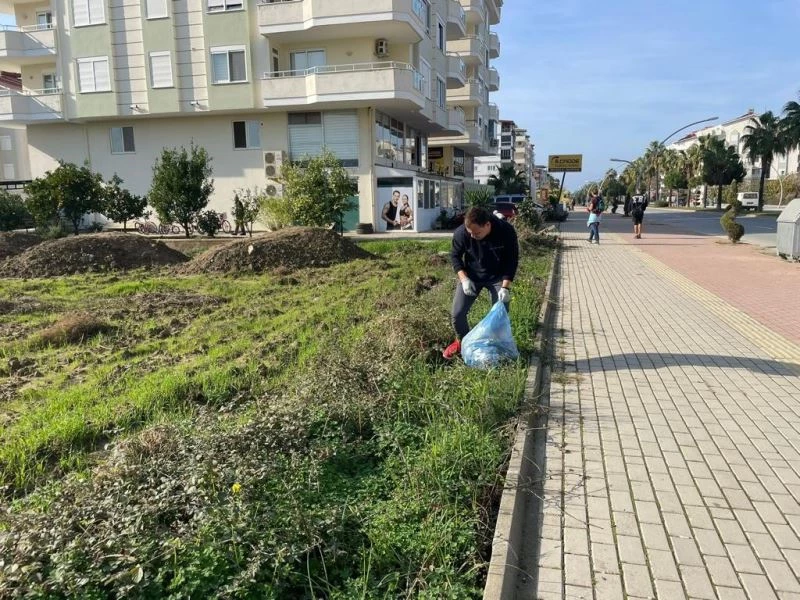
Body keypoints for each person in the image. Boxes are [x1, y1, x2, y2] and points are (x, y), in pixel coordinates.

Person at [443, 206, 519, 360]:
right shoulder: (462, 233)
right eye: (469, 232)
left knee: (500, 312)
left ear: (488, 225)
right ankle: (463, 342)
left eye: (476, 233)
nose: (472, 236)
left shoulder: (505, 231)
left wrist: (505, 287)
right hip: (472, 276)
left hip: (497, 276)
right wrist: (464, 279)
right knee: (457, 314)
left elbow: (511, 260)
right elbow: (455, 257)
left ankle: (496, 346)